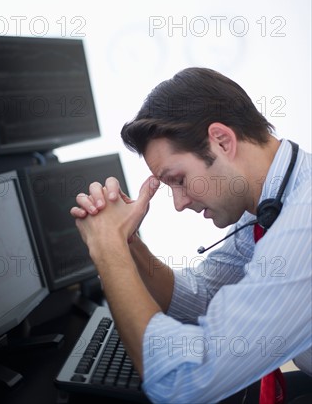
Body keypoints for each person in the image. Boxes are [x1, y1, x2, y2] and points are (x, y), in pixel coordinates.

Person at [70, 67, 312, 404]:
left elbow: (184, 383)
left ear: (222, 141)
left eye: (179, 179)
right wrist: (128, 242)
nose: (180, 203)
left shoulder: (304, 221)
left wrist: (107, 250)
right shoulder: (269, 202)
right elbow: (203, 296)